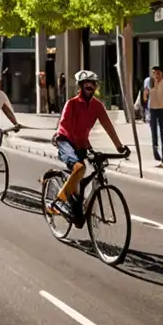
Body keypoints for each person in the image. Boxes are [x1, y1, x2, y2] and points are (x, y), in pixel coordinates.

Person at [49, 70, 129, 216]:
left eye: (92, 83)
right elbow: (66, 128)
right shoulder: (71, 104)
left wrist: (119, 146)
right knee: (79, 168)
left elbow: (108, 126)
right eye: (86, 83)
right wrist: (81, 145)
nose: (90, 86)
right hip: (65, 141)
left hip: (81, 144)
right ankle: (58, 201)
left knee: (86, 173)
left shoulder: (97, 106)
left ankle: (78, 205)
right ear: (80, 85)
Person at [143, 66, 163, 166]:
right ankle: (156, 154)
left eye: (157, 73)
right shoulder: (149, 81)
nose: (156, 76)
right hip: (152, 109)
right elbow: (145, 95)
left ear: (162, 74)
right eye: (154, 73)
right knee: (154, 132)